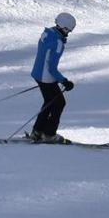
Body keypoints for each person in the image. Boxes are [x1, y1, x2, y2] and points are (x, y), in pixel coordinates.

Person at [29, 13, 76, 143]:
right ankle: (49, 134)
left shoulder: (47, 34)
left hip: (37, 74)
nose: (68, 34)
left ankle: (37, 131)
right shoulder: (58, 43)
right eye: (68, 31)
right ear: (64, 28)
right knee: (59, 103)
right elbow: (51, 68)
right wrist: (64, 81)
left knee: (49, 102)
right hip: (46, 77)